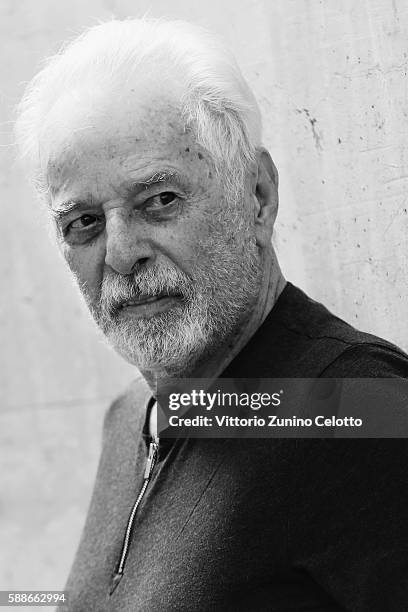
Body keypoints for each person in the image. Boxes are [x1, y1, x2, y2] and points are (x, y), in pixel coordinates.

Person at [15, 18, 408, 612]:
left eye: (160, 201)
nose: (121, 254)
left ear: (258, 196)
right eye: (84, 223)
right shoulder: (131, 418)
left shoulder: (365, 414)